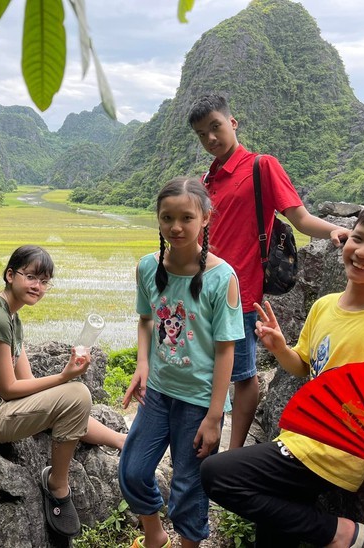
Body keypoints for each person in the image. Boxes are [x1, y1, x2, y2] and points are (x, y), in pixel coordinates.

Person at [200, 199, 364, 547]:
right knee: (273, 536)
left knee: (217, 474)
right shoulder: (325, 306)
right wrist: (281, 348)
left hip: (333, 451)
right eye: (359, 238)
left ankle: (338, 533)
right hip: (300, 436)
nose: (362, 252)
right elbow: (305, 367)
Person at [188, 94, 352, 449]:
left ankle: (233, 453)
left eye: (215, 127)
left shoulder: (261, 166)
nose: (210, 138)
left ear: (232, 123)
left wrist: (335, 231)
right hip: (203, 290)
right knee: (206, 367)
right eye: (202, 134)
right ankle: (203, 436)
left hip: (241, 293)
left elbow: (300, 218)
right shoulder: (207, 179)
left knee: (244, 375)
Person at [0, 244, 127, 538]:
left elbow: (28, 385)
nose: (38, 286)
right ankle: (57, 485)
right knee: (77, 395)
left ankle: (123, 441)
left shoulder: (11, 317)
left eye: (44, 281)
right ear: (10, 275)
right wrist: (64, 377)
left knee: (70, 400)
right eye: (31, 277)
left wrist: (64, 380)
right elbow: (9, 389)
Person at [119, 178, 244, 548]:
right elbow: (146, 320)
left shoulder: (222, 278)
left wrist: (214, 416)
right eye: (167, 217)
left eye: (186, 217)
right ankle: (155, 536)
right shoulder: (147, 267)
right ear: (157, 219)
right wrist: (143, 363)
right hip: (158, 390)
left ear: (205, 218)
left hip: (198, 399)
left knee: (189, 485)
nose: (176, 226)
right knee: (132, 469)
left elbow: (226, 349)